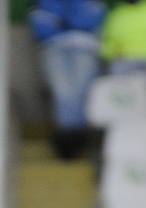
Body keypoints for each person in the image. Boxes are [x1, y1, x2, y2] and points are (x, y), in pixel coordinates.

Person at [28, 0, 107, 160]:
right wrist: (71, 21)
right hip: (53, 47)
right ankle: (67, 139)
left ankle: (78, 139)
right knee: (62, 92)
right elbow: (39, 23)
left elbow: (91, 17)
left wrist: (62, 21)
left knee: (81, 91)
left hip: (85, 47)